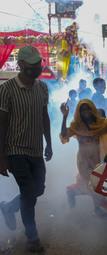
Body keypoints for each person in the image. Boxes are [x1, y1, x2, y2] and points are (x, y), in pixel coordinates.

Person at [0, 45, 53, 252]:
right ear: (21, 64)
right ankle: (32, 237)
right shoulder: (6, 89)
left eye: (38, 62)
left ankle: (8, 207)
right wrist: (1, 157)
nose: (37, 66)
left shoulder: (42, 87)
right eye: (32, 63)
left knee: (38, 189)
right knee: (29, 192)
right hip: (15, 150)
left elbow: (44, 116)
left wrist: (48, 143)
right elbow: (1, 124)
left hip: (35, 149)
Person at [60, 99, 107, 217]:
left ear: (92, 110)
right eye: (82, 110)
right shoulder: (76, 125)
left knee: (92, 184)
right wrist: (64, 117)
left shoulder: (99, 124)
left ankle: (72, 191)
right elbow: (64, 135)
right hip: (83, 160)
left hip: (95, 160)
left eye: (88, 109)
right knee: (94, 183)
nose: (86, 112)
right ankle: (97, 210)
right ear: (79, 112)